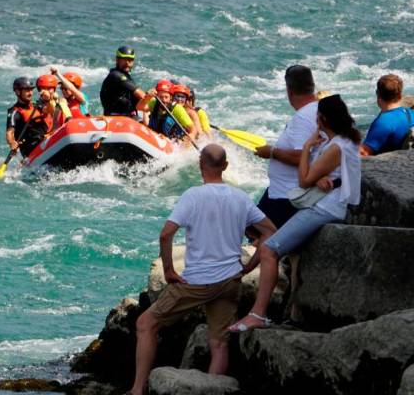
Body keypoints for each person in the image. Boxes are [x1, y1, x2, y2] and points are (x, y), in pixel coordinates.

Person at [127, 144, 276, 395]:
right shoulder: (240, 197)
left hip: (197, 282)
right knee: (219, 343)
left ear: (200, 166)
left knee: (145, 324)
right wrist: (250, 265)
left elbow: (166, 234)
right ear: (226, 166)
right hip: (230, 280)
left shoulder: (193, 196)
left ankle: (137, 390)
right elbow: (270, 232)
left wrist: (168, 270)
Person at [230, 94, 362, 332]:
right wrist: (323, 176)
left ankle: (257, 314)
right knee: (287, 248)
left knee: (270, 249)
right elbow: (332, 173)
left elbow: (303, 181)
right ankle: (292, 312)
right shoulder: (346, 140)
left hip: (324, 208)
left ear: (321, 119)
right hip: (334, 203)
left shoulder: (334, 147)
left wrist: (308, 149)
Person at [252, 65, 319, 229]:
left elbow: (300, 156)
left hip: (288, 195)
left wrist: (271, 152)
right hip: (283, 191)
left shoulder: (303, 117)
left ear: (289, 91)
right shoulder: (317, 109)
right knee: (253, 227)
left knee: (258, 230)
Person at [360, 74, 414, 156]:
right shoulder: (409, 113)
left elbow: (364, 153)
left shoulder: (383, 122)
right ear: (400, 95)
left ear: (378, 94)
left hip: (386, 165)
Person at [5, 76, 53, 157]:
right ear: (18, 92)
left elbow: (50, 111)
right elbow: (9, 132)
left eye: (31, 90)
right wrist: (12, 143)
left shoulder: (36, 105)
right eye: (27, 90)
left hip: (44, 141)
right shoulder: (14, 111)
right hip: (30, 149)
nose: (30, 93)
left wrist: (48, 100)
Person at [99, 46, 147, 117]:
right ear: (117, 60)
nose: (127, 63)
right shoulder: (116, 76)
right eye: (124, 59)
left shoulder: (127, 77)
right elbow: (141, 95)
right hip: (116, 118)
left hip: (128, 116)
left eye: (130, 60)